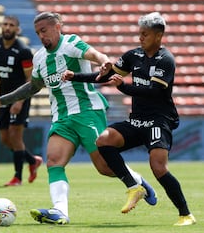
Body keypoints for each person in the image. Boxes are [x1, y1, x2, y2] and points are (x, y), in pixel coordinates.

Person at [0, 11, 157, 225]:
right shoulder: (39, 58)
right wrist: (1, 100)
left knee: (104, 167)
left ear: (57, 27)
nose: (41, 36)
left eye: (44, 31)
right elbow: (32, 87)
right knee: (54, 161)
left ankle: (138, 182)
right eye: (38, 33)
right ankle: (60, 211)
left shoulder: (70, 43)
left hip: (86, 112)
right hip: (62, 118)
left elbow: (94, 55)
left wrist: (104, 62)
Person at [63, 12, 196, 226]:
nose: (140, 38)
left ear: (159, 36)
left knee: (159, 168)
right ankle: (134, 187)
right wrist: (75, 77)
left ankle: (185, 214)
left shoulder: (166, 60)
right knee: (103, 140)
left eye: (145, 34)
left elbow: (154, 92)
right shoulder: (133, 55)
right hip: (137, 120)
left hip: (158, 121)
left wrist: (123, 87)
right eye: (139, 33)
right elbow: (106, 76)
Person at [0, 15, 43, 187]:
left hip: (20, 98)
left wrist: (19, 101)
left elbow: (30, 80)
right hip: (2, 98)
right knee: (4, 138)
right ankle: (32, 160)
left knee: (15, 136)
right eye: (5, 24)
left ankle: (17, 178)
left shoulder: (23, 50)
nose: (7, 27)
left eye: (11, 25)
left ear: (17, 30)